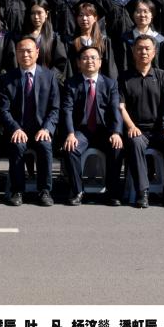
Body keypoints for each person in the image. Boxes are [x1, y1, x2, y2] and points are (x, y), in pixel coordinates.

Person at [118, 34, 164, 208]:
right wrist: (131, 126)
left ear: (154, 52)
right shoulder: (124, 77)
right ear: (133, 51)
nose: (143, 52)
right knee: (135, 142)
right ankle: (142, 192)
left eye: (147, 49)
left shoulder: (161, 75)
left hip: (160, 130)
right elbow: (121, 107)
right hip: (137, 130)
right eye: (139, 48)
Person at [0, 36, 60, 206]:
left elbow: (55, 108)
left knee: (45, 145)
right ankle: (17, 191)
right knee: (17, 145)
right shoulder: (7, 78)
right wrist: (15, 128)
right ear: (16, 54)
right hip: (19, 129)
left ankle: (44, 191)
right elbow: (3, 110)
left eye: (29, 51)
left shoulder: (49, 76)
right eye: (21, 51)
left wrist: (46, 129)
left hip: (41, 129)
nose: (25, 55)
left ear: (37, 52)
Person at [60, 46, 124, 207]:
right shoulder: (71, 83)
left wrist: (116, 132)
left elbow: (115, 109)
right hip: (81, 131)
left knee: (116, 147)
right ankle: (77, 191)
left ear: (100, 62)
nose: (90, 61)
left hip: (104, 130)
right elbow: (67, 109)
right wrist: (70, 133)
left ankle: (112, 192)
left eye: (94, 57)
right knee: (71, 148)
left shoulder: (110, 83)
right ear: (78, 63)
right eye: (85, 58)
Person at [116, 0, 164, 76]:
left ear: (152, 15)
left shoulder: (160, 41)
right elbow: (122, 66)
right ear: (133, 14)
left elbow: (163, 68)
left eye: (146, 11)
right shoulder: (126, 39)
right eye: (138, 11)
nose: (142, 15)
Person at [66, 0, 118, 80]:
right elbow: (69, 69)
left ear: (95, 18)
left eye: (88, 15)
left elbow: (110, 68)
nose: (84, 18)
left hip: (100, 84)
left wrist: (109, 86)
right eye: (81, 15)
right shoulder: (71, 42)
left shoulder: (104, 41)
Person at [19, 0, 68, 77]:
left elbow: (60, 63)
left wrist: (48, 78)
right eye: (33, 13)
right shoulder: (22, 37)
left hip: (46, 81)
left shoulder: (53, 37)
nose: (36, 17)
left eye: (39, 13)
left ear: (46, 14)